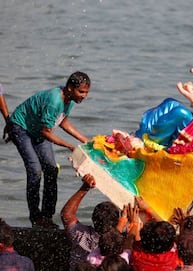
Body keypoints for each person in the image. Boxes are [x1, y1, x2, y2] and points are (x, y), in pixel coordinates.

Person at [8, 71, 91, 228]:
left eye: (86, 92)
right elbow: (47, 132)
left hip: (38, 130)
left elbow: (62, 121)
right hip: (21, 128)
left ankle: (47, 216)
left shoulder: (71, 100)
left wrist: (85, 140)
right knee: (35, 170)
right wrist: (70, 146)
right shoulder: (54, 100)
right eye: (81, 92)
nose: (84, 96)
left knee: (52, 170)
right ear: (69, 88)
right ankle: (35, 217)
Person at [61, 174, 121, 271]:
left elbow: (66, 215)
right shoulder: (120, 244)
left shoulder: (80, 236)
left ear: (93, 219)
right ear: (116, 222)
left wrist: (84, 188)